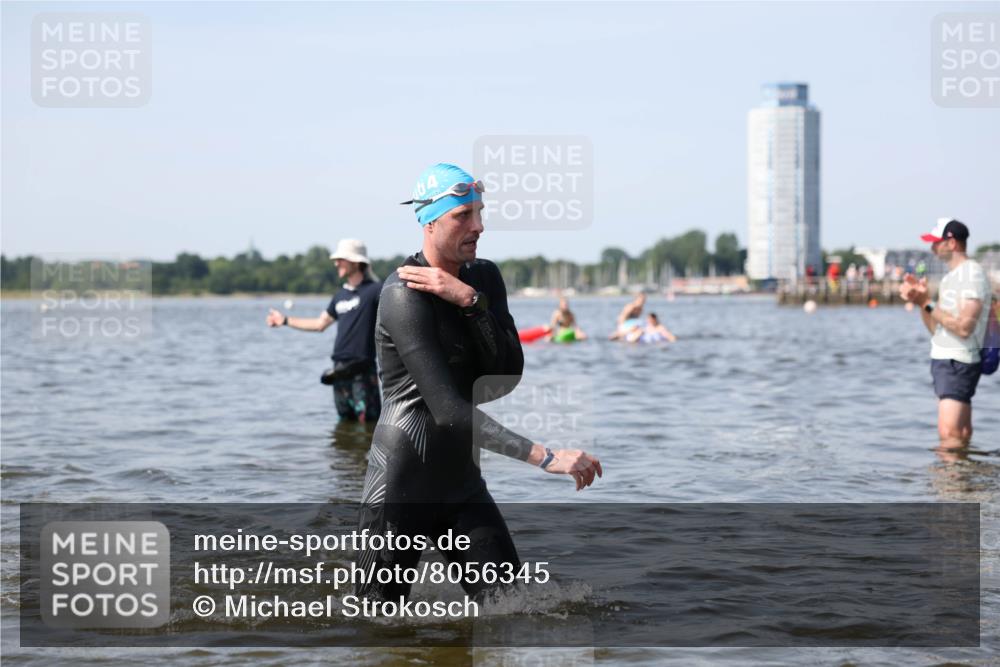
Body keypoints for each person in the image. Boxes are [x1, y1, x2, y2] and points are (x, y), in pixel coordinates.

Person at [354, 164, 602, 603]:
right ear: (430, 222)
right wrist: (545, 458)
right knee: (374, 622)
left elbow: (505, 376)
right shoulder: (403, 293)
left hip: (461, 482)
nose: (479, 226)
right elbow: (447, 410)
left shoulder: (483, 279)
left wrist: (470, 302)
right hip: (400, 484)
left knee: (514, 609)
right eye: (463, 215)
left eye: (479, 212)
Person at [899, 219, 993, 450]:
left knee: (949, 436)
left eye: (936, 242)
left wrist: (927, 303)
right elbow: (937, 329)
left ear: (951, 243)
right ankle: (965, 470)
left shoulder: (971, 274)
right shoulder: (952, 277)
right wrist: (922, 302)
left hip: (957, 361)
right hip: (949, 359)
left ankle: (951, 475)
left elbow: (964, 328)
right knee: (958, 434)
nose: (932, 248)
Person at [267, 239, 382, 423]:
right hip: (338, 371)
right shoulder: (340, 296)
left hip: (362, 372)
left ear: (355, 262)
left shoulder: (376, 291)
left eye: (341, 259)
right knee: (344, 425)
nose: (336, 263)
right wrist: (285, 320)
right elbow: (320, 324)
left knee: (369, 426)